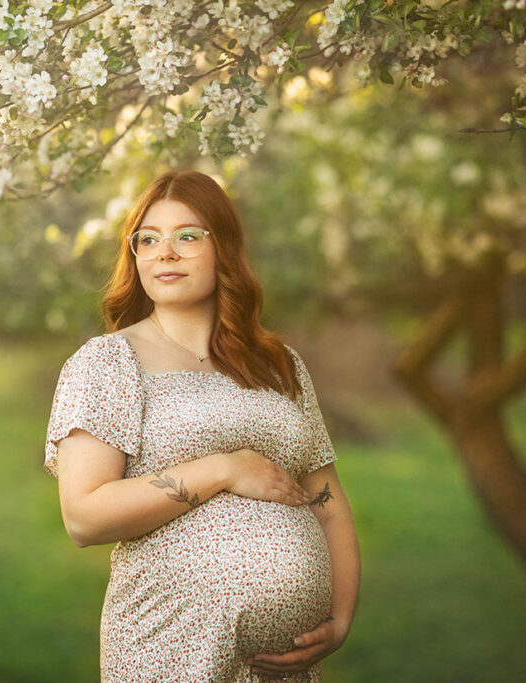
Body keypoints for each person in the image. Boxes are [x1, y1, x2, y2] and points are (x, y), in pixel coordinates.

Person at [43, 170, 360, 682]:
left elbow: (326, 501)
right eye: (148, 239)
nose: (165, 252)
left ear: (225, 249)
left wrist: (341, 618)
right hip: (169, 649)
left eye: (187, 235)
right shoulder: (108, 363)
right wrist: (223, 469)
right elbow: (84, 517)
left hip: (284, 671)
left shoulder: (280, 365)